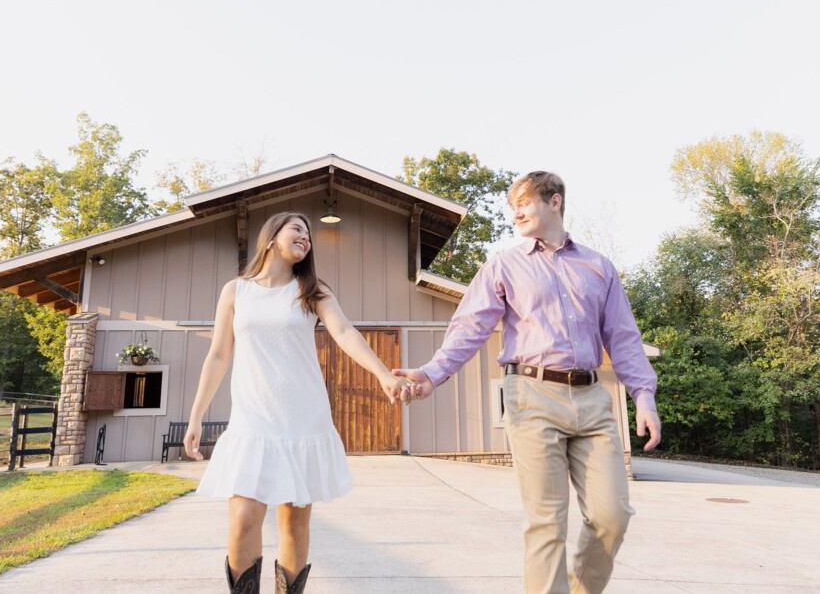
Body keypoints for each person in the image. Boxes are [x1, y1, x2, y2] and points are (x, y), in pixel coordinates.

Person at [396, 171, 662, 594]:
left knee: (613, 516)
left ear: (554, 202)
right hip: (531, 395)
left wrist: (643, 396)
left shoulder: (598, 266)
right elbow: (470, 328)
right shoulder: (504, 265)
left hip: (592, 400)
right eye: (511, 205)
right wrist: (432, 373)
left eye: (524, 201)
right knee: (546, 521)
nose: (515, 212)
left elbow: (624, 337)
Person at [184, 211, 408, 594]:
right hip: (252, 419)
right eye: (297, 229)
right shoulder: (235, 291)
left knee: (293, 523)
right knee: (242, 517)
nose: (305, 237)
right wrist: (196, 416)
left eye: (308, 234)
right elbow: (218, 356)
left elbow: (344, 332)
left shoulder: (312, 291)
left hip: (302, 418)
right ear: (271, 237)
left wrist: (383, 373)